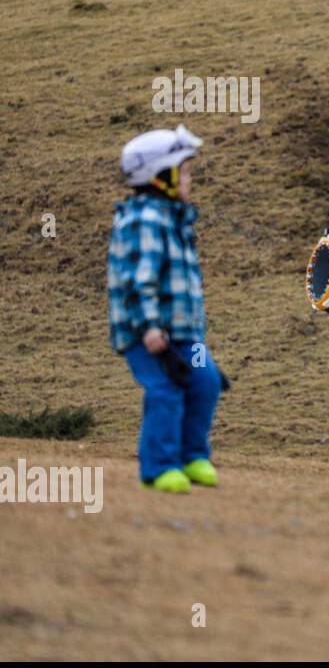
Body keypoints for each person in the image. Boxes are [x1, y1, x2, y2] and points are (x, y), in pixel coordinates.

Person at [109, 125, 224, 494]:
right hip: (150, 333)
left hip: (184, 333)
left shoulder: (175, 220)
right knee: (166, 390)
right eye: (185, 171)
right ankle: (160, 466)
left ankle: (192, 456)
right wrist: (149, 326)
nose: (189, 179)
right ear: (161, 177)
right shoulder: (145, 220)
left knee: (205, 382)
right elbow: (138, 280)